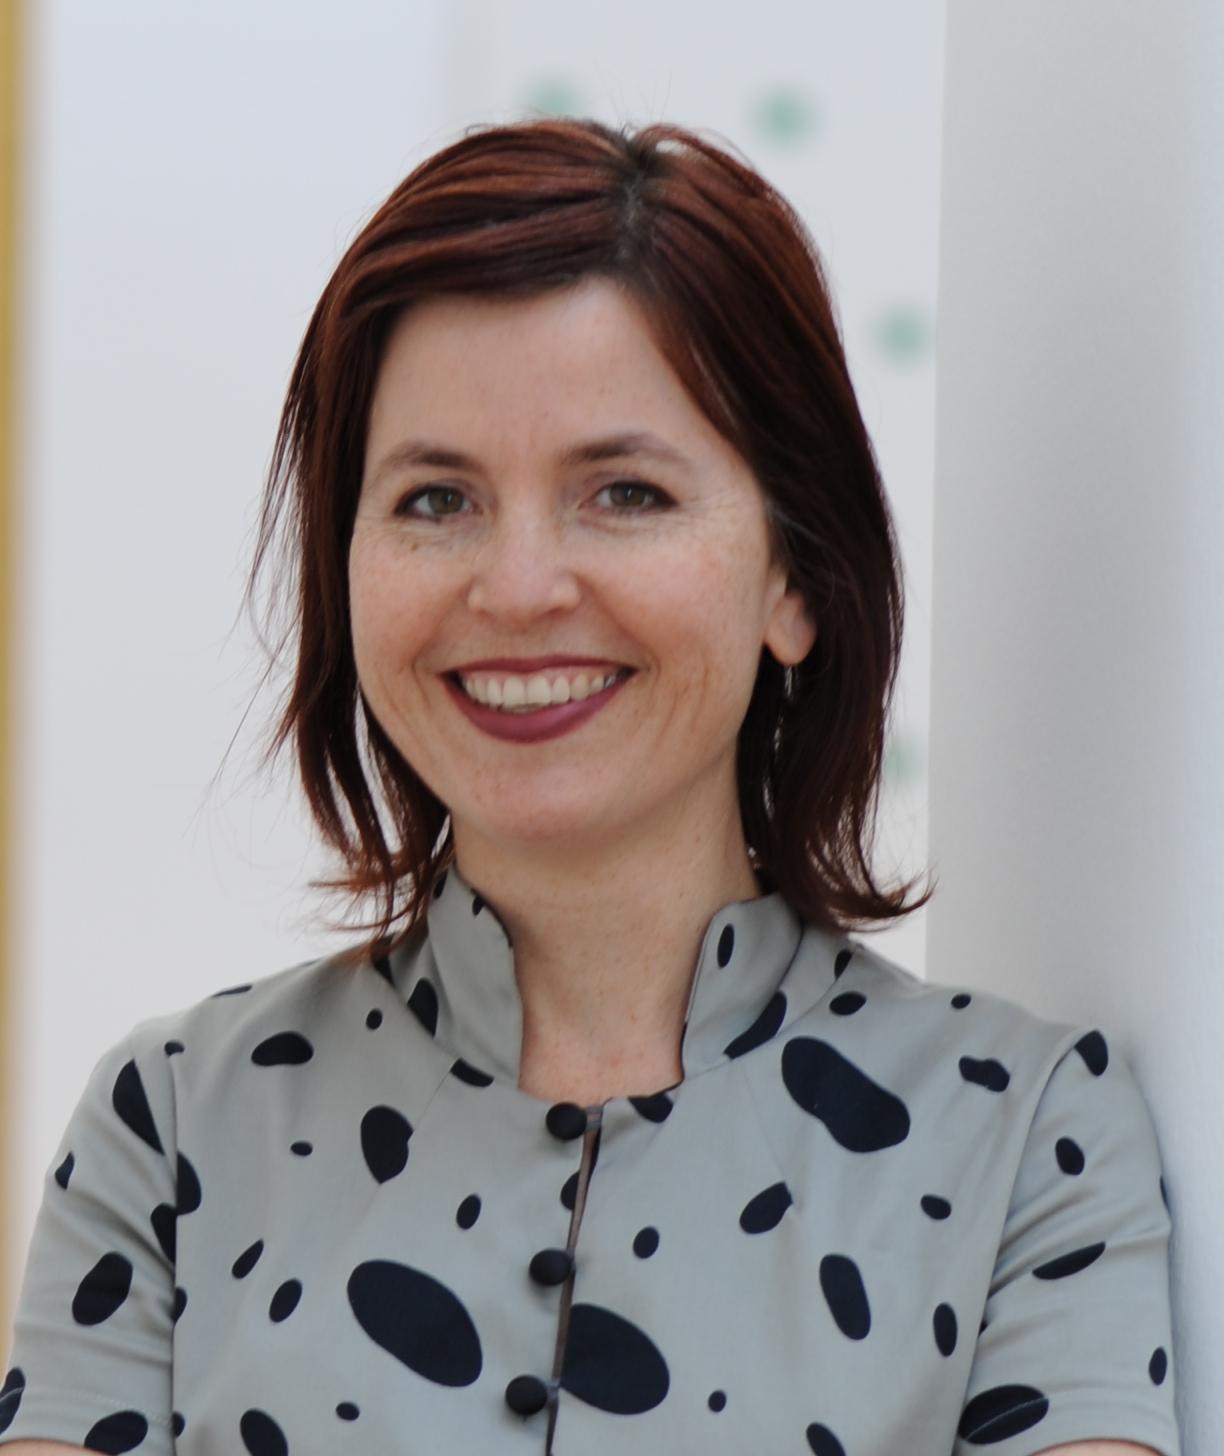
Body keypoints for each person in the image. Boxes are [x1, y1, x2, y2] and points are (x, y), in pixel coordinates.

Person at [0, 118, 1178, 1456]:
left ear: (795, 577)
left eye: (623, 492)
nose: (516, 589)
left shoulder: (1025, 1141)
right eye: (435, 500)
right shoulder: (171, 1129)